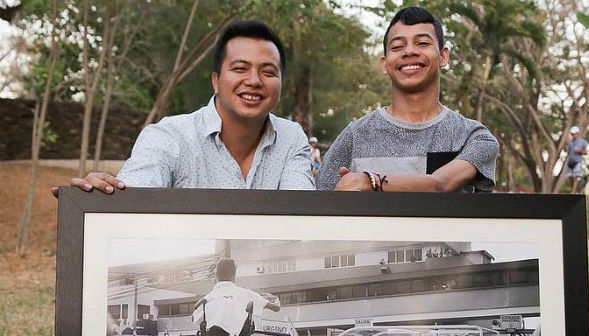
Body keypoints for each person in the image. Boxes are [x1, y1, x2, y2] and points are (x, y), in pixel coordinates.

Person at [52, 20, 314, 197]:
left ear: (280, 84)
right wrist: (103, 199)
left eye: (268, 72)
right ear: (216, 81)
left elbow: (302, 212)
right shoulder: (168, 137)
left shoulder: (291, 138)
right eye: (240, 69)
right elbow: (137, 195)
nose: (254, 81)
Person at [317, 6, 498, 193]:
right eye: (397, 47)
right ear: (384, 64)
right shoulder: (354, 136)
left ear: (444, 56)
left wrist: (370, 181)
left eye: (422, 43)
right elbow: (318, 206)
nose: (409, 51)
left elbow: (439, 184)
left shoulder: (473, 137)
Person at [192, 258, 280, 336]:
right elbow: (276, 308)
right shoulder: (246, 294)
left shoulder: (208, 297)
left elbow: (195, 319)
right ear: (234, 274)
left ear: (217, 275)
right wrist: (276, 300)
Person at [565, 125, 588, 194]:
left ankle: (573, 192)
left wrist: (580, 151)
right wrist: (566, 144)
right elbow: (566, 151)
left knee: (575, 177)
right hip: (570, 162)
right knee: (570, 178)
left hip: (578, 162)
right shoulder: (570, 142)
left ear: (577, 133)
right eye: (571, 134)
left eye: (573, 134)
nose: (572, 135)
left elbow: (586, 152)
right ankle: (576, 191)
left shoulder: (583, 141)